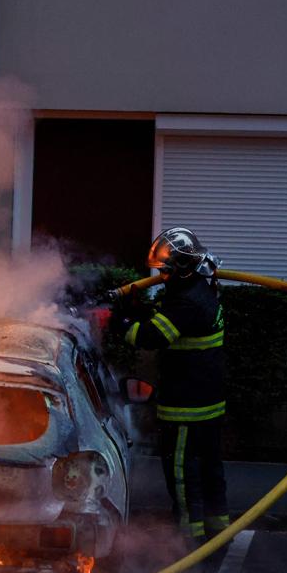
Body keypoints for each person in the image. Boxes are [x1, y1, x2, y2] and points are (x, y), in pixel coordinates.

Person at [115, 227, 227, 551]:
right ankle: (217, 536)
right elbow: (171, 323)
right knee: (210, 473)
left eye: (165, 270)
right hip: (208, 406)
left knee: (183, 477)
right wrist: (140, 310)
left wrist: (121, 322)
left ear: (180, 268)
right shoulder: (202, 291)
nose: (161, 276)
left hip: (186, 410)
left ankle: (189, 545)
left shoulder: (187, 301)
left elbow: (151, 337)